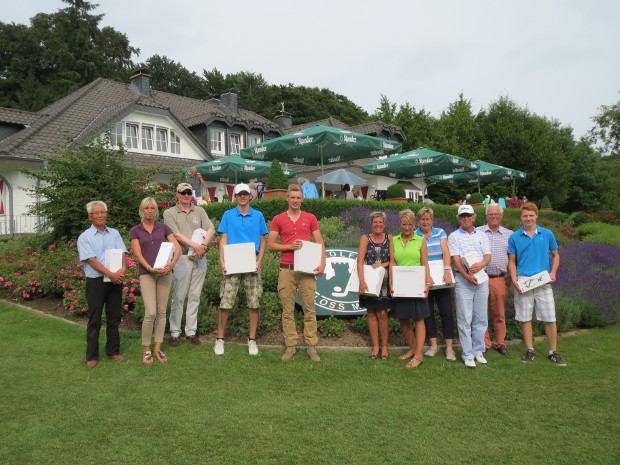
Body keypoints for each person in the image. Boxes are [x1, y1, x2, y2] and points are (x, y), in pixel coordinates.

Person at [268, 184, 325, 362]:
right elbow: (271, 245)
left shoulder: (310, 218)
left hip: (307, 270)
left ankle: (311, 346)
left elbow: (320, 242)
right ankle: (290, 345)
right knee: (287, 311)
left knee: (309, 310)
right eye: (292, 197)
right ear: (287, 198)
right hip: (286, 270)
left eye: (298, 198)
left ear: (302, 199)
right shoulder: (278, 219)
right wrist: (289, 246)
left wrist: (322, 263)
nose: (295, 201)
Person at [508, 202, 566, 366]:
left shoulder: (547, 234)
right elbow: (512, 261)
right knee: (525, 318)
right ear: (521, 217)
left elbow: (556, 255)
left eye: (531, 215)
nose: (528, 218)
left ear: (536, 216)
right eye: (525, 216)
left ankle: (553, 352)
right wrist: (514, 279)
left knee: (550, 318)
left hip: (543, 282)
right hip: (523, 282)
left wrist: (553, 272)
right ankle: (530, 350)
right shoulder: (514, 237)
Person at [215, 183, 268, 356]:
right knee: (226, 301)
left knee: (254, 301)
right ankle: (220, 339)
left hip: (251, 259)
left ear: (250, 196)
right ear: (235, 197)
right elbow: (224, 238)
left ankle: (252, 340)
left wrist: (259, 260)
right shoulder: (228, 215)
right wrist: (222, 261)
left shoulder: (258, 215)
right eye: (239, 194)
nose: (243, 196)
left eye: (245, 193)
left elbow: (263, 240)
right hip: (233, 259)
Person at [130, 198, 181, 364]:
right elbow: (138, 254)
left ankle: (158, 348)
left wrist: (171, 264)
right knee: (150, 312)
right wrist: (149, 268)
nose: (150, 210)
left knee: (161, 311)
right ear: (142, 210)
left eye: (152, 208)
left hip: (165, 273)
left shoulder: (164, 227)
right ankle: (146, 348)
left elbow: (177, 248)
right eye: (147, 208)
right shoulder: (135, 230)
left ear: (156, 210)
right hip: (147, 273)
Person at [163, 182, 215, 347]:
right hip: (183, 257)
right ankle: (175, 332)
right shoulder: (169, 213)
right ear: (177, 194)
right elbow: (176, 235)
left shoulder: (199, 210)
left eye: (189, 193)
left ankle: (191, 332)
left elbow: (211, 228)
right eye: (183, 193)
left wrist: (203, 246)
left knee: (195, 296)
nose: (186, 195)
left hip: (199, 257)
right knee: (178, 296)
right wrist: (197, 247)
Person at [77, 201, 127, 368]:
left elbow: (122, 254)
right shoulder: (85, 237)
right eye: (96, 213)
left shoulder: (115, 233)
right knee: (94, 319)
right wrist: (111, 274)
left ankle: (113, 351)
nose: (100, 215)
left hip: (115, 281)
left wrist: (123, 269)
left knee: (114, 318)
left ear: (106, 214)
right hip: (96, 282)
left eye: (102, 212)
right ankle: (92, 355)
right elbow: (91, 260)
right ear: (90, 216)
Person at [448, 204, 492, 368]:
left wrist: (481, 264)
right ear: (459, 218)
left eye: (469, 216)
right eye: (463, 216)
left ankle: (478, 351)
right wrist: (466, 275)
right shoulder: (453, 236)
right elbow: (456, 259)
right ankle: (467, 354)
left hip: (481, 278)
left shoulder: (481, 235)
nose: (466, 218)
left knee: (480, 317)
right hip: (463, 279)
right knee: (464, 318)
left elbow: (488, 255)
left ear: (473, 217)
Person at [389, 209, 431, 369]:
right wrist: (392, 283)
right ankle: (413, 349)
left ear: (415, 225)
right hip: (400, 285)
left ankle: (419, 354)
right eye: (404, 224)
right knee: (403, 319)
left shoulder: (420, 241)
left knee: (419, 319)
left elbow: (424, 263)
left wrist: (427, 283)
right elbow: (392, 262)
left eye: (410, 224)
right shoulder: (394, 240)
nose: (407, 227)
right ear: (400, 224)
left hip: (417, 284)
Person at [415, 207, 456, 362]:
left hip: (442, 278)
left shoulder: (440, 232)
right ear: (419, 221)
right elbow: (418, 257)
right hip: (425, 279)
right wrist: (426, 276)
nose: (425, 222)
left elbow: (446, 251)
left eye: (428, 219)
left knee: (446, 312)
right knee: (428, 313)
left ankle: (450, 348)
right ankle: (433, 345)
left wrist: (447, 270)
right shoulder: (415, 235)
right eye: (423, 219)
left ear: (432, 220)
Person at [478, 203, 513, 356]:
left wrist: (512, 276)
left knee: (499, 313)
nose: (493, 216)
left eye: (496, 214)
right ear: (486, 216)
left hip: (499, 278)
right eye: (490, 214)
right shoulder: (478, 232)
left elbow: (513, 258)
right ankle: (485, 343)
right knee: (481, 313)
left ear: (501, 216)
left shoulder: (509, 234)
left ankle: (500, 343)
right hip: (480, 277)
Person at [356, 211, 391, 360]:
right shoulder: (365, 238)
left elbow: (393, 260)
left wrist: (382, 264)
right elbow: (360, 261)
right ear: (371, 224)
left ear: (385, 224)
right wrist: (362, 281)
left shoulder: (390, 238)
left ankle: (385, 346)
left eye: (380, 222)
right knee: (371, 313)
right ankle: (375, 346)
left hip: (384, 282)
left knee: (382, 314)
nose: (378, 224)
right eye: (375, 222)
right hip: (368, 281)